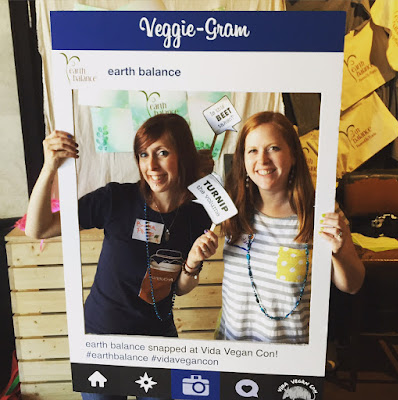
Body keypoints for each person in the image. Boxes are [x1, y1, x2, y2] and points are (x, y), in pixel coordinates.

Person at [25, 113, 218, 400]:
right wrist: (49, 166)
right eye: (144, 154)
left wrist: (191, 264)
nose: (151, 166)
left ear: (183, 155)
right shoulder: (116, 199)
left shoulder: (197, 215)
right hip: (103, 341)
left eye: (162, 153)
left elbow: (179, 288)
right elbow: (37, 228)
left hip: (157, 340)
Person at [217, 111, 365, 343]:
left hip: (292, 356)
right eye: (252, 150)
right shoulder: (233, 208)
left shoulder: (320, 213)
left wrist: (340, 251)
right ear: (243, 159)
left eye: (273, 148)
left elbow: (353, 285)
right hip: (234, 353)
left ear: (293, 155)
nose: (262, 160)